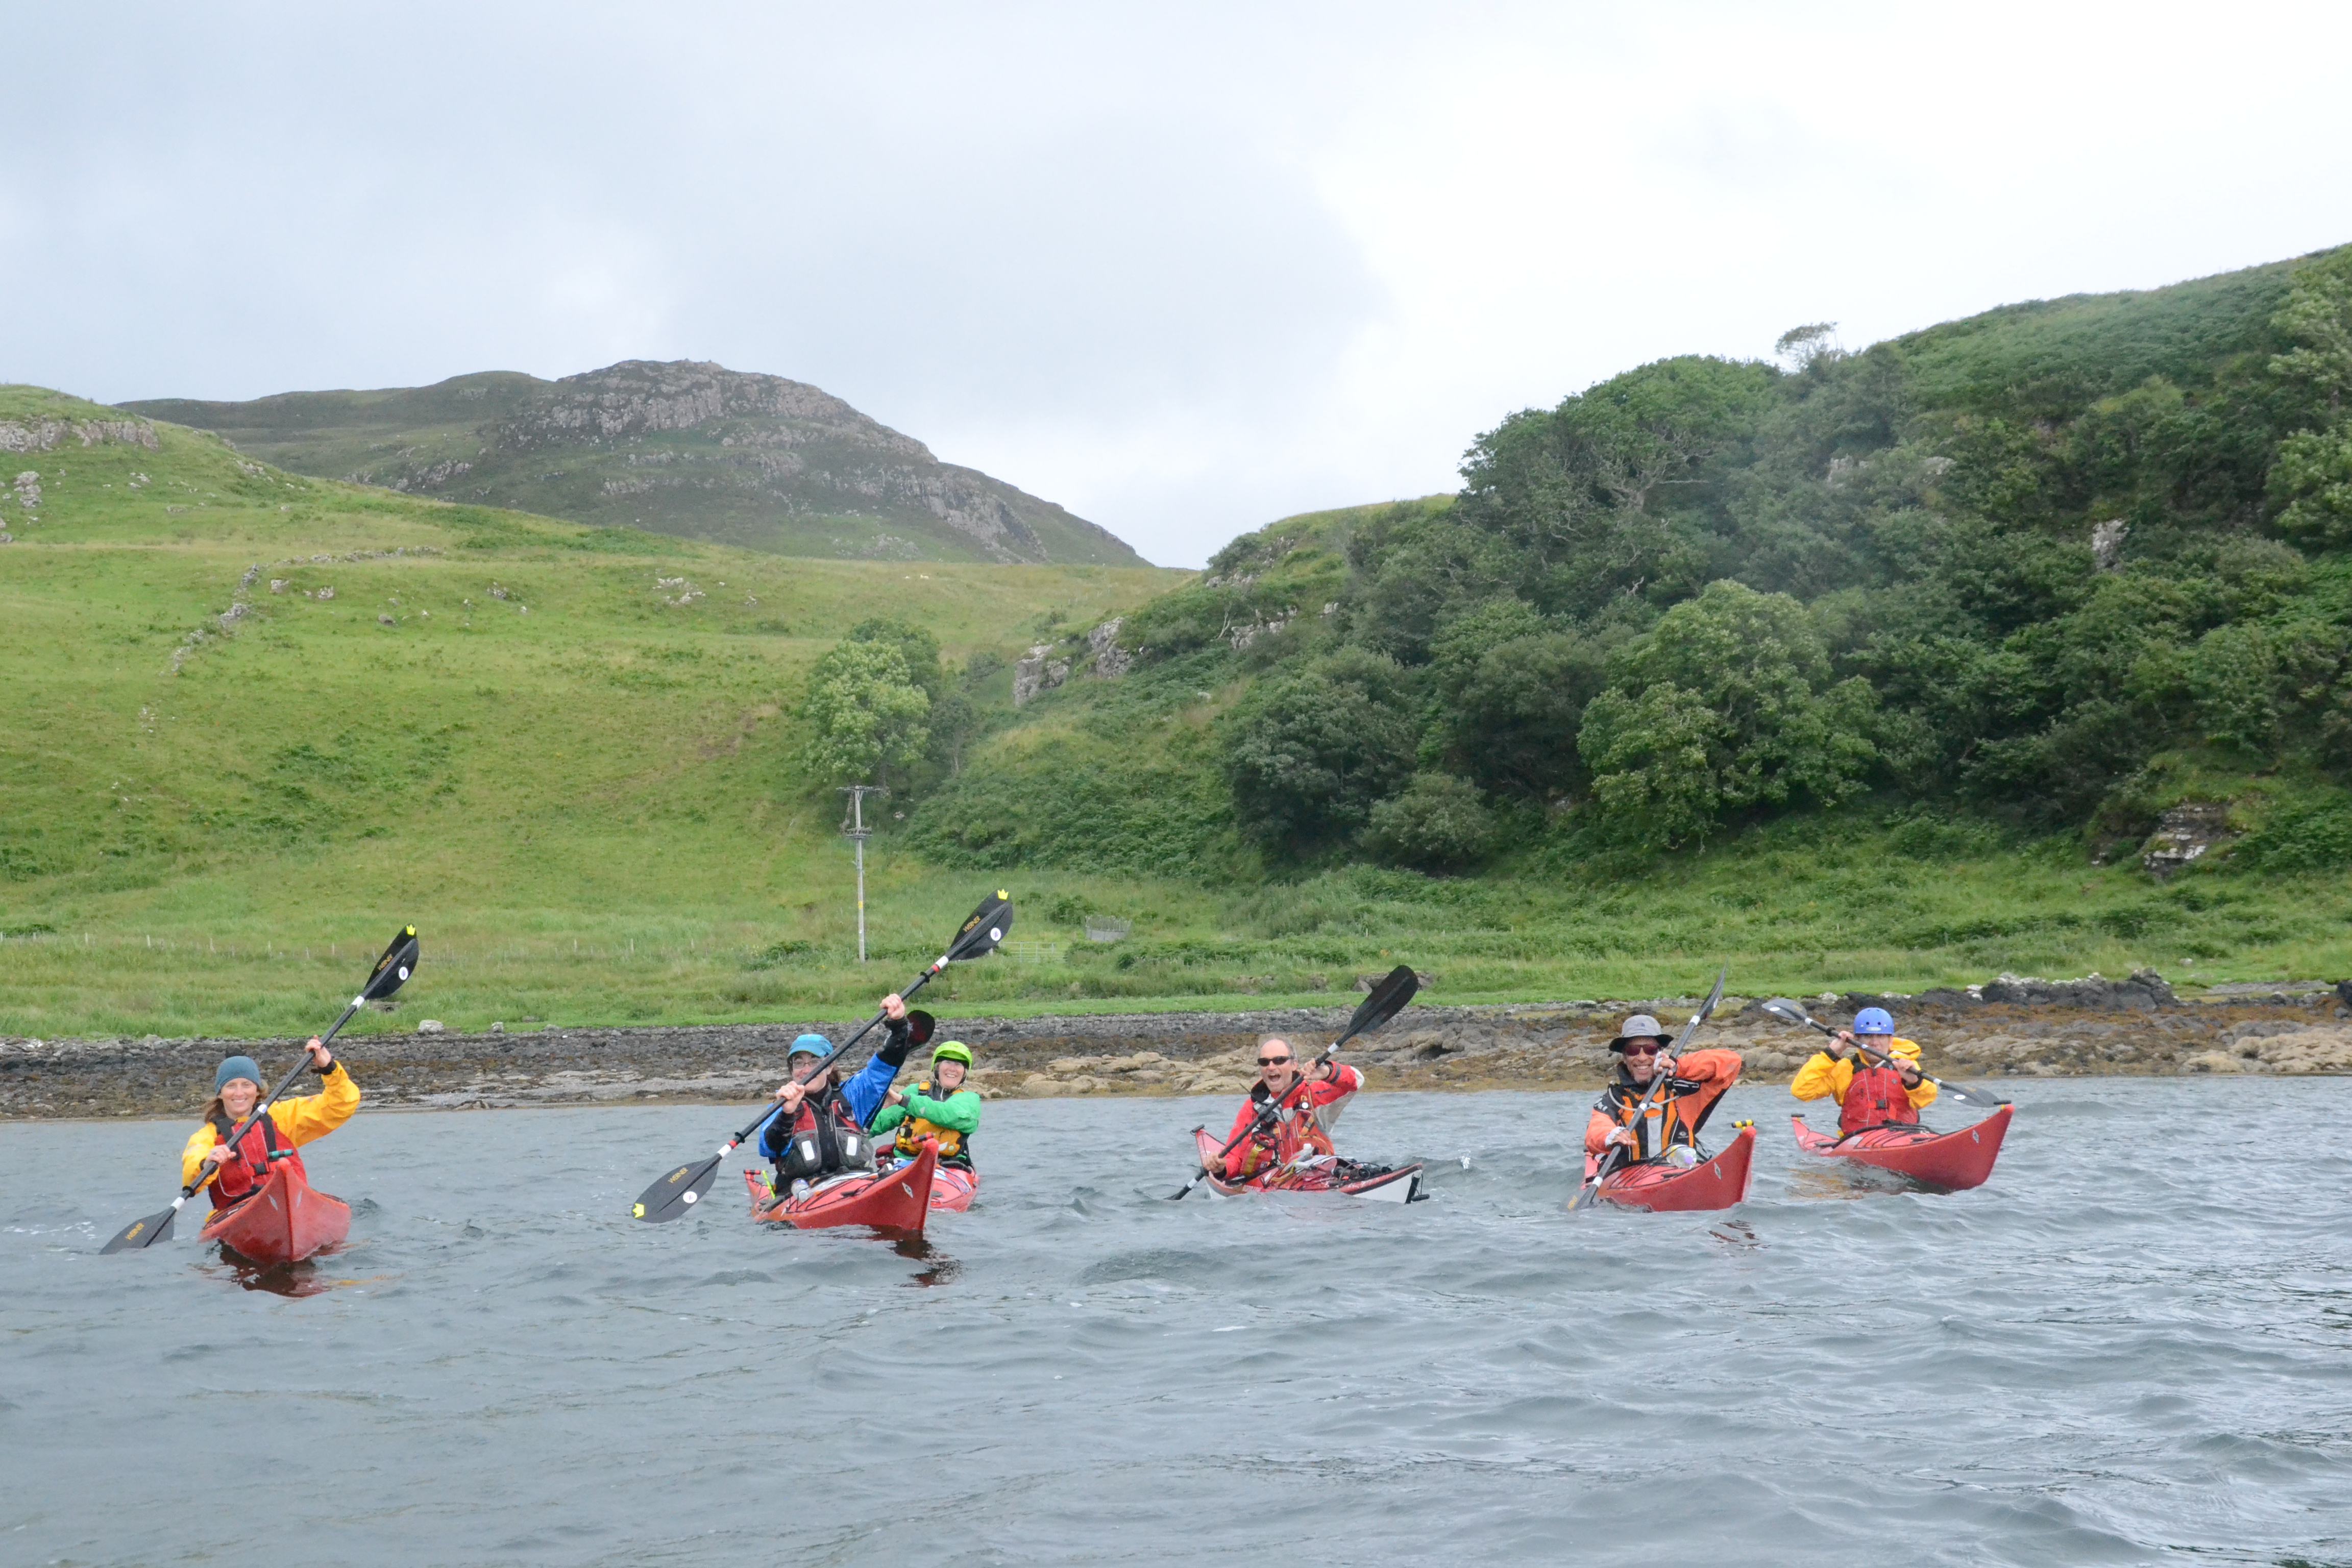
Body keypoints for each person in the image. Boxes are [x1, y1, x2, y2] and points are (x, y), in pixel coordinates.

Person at [756, 993, 924, 1188]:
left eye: (815, 1062)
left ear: (829, 1067)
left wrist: (899, 1026)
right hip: (804, 1195)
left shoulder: (852, 1097)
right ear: (792, 1070)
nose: (806, 1069)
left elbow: (884, 1068)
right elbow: (769, 1147)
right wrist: (787, 1115)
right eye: (799, 1063)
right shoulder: (780, 1106)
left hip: (854, 1186)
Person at [179, 1039, 357, 1210]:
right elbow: (191, 1169)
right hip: (239, 1210)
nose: (239, 1093)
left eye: (247, 1085)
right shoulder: (207, 1136)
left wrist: (329, 1068)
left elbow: (340, 1104)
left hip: (292, 1202)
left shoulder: (282, 1118)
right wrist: (206, 1162)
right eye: (231, 1086)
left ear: (257, 1091)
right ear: (220, 1093)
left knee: (285, 1169)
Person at [1584, 1013, 1742, 1169]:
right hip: (1627, 1178)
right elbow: (1596, 1129)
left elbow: (1732, 1062)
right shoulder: (1613, 1099)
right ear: (1625, 1057)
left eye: (1650, 1050)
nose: (1642, 1058)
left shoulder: (1682, 1092)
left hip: (1679, 1173)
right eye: (1633, 1051)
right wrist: (1609, 1135)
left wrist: (1678, 1067)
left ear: (1660, 1053)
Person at [1220, 1035, 1361, 1182]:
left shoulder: (1315, 1096)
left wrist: (1327, 1072)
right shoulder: (1252, 1108)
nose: (1271, 1067)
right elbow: (1234, 1159)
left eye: (1279, 1060)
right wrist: (1221, 1169)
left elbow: (1357, 1081)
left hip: (1320, 1185)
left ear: (1294, 1064)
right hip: (1273, 1194)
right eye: (1264, 1062)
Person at [1791, 1005, 1936, 1133]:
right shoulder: (1844, 1069)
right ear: (1857, 1040)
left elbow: (1927, 1098)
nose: (1874, 1043)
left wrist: (1914, 1082)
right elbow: (1802, 1091)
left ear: (1891, 1040)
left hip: (1903, 1135)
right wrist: (1830, 1055)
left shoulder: (1905, 1066)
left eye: (1881, 1036)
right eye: (1868, 1036)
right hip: (1857, 1140)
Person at [871, 1040, 982, 1171]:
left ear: (964, 1073)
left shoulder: (969, 1099)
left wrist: (905, 1101)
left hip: (950, 1167)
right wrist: (854, 1130)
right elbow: (881, 1120)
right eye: (947, 1062)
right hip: (904, 1162)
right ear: (937, 1067)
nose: (952, 1069)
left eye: (958, 1064)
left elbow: (946, 1114)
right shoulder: (914, 1092)